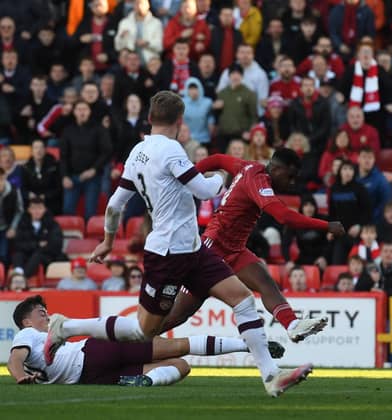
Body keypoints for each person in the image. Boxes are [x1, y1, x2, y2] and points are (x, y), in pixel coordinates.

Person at [44, 91, 313, 397]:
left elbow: (115, 204)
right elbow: (203, 191)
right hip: (169, 253)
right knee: (142, 331)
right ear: (180, 120)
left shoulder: (137, 152)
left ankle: (270, 376)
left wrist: (107, 241)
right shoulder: (172, 151)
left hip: (193, 249)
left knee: (243, 299)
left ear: (149, 118)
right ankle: (64, 328)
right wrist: (222, 179)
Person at [164, 148, 344, 341]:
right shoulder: (258, 180)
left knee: (265, 281)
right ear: (277, 169)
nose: (291, 183)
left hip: (234, 249)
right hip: (213, 249)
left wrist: (190, 176)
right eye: (290, 176)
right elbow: (283, 216)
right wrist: (326, 225)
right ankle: (138, 339)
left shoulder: (246, 166)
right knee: (179, 314)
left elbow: (217, 159)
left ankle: (292, 325)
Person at [8, 295, 285, 386]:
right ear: (26, 322)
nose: (45, 315)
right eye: (39, 313)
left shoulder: (36, 336)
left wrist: (23, 376)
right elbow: (14, 361)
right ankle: (247, 344)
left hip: (91, 377)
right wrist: (20, 376)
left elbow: (18, 361)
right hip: (93, 355)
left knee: (181, 365)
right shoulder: (27, 334)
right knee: (179, 346)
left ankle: (147, 381)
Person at [60, 101, 112, 220]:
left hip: (93, 177)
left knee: (90, 212)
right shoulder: (68, 130)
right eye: (79, 109)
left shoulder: (99, 129)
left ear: (89, 112)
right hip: (72, 176)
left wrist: (93, 169)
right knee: (67, 210)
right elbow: (63, 156)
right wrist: (64, 176)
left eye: (84, 109)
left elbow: (107, 151)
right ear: (74, 112)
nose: (82, 112)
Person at [328, 159, 372, 264]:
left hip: (356, 234)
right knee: (337, 263)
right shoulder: (334, 188)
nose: (348, 172)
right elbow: (332, 213)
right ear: (340, 171)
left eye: (351, 169)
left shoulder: (360, 189)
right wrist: (332, 229)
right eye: (345, 169)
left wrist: (359, 226)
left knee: (357, 264)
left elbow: (368, 211)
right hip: (340, 234)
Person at [12, 196, 65, 278]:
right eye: (34, 208)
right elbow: (18, 244)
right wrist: (37, 245)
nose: (37, 211)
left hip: (47, 256)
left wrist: (37, 247)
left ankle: (22, 278)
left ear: (45, 209)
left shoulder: (52, 224)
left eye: (40, 208)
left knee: (37, 255)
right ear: (29, 210)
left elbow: (56, 244)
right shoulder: (23, 223)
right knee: (17, 255)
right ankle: (17, 274)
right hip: (27, 254)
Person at [114, 0, 164, 66]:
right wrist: (121, 37)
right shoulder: (124, 23)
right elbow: (117, 46)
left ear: (148, 5)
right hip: (130, 63)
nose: (139, 6)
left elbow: (160, 46)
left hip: (150, 62)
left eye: (142, 4)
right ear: (133, 6)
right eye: (137, 4)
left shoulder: (156, 23)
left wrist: (147, 43)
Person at [356, 146, 392, 222]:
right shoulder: (352, 176)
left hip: (372, 223)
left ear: (374, 160)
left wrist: (368, 219)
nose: (367, 160)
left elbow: (385, 204)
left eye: (370, 158)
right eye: (364, 157)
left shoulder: (381, 180)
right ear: (358, 159)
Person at [0, 167, 23, 265]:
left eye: (0, 178)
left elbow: (19, 211)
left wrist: (13, 228)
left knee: (4, 255)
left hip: (6, 227)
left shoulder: (14, 191)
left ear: (5, 177)